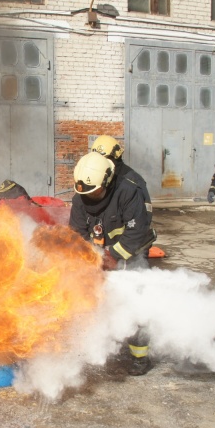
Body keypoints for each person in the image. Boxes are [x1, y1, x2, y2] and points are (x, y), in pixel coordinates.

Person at [69, 150, 157, 376]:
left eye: (95, 192)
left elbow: (137, 231)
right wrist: (87, 258)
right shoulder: (80, 198)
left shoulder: (129, 191)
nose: (89, 197)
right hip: (101, 256)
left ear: (107, 181)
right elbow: (77, 233)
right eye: (85, 193)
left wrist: (113, 256)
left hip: (130, 253)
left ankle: (139, 357)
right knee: (94, 301)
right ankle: (101, 346)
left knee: (134, 303)